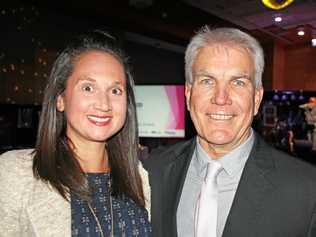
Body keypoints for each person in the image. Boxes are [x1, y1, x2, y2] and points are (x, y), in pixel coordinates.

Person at [144, 26, 316, 237]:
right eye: (207, 81)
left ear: (256, 98)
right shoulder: (151, 171)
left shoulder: (307, 190)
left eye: (238, 82)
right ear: (188, 95)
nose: (221, 98)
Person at [0, 31, 151, 237]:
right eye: (88, 88)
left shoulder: (140, 177)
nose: (104, 104)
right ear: (60, 99)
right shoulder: (16, 173)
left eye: (115, 91)